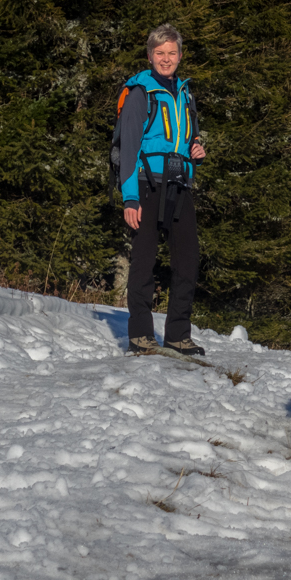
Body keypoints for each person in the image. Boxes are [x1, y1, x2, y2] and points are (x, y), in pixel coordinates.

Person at [117, 24, 208, 356]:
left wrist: (195, 152)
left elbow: (187, 140)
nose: (166, 59)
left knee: (188, 259)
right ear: (149, 55)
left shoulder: (185, 93)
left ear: (180, 55)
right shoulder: (140, 93)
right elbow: (128, 149)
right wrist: (129, 197)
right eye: (160, 53)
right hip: (145, 185)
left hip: (179, 183)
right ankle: (140, 335)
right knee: (144, 259)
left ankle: (177, 335)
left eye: (172, 53)